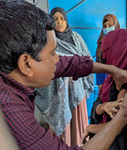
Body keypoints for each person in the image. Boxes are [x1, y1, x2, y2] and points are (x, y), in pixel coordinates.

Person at [0, 1, 127, 149]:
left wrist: (112, 70)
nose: (58, 59)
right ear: (25, 64)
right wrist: (121, 115)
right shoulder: (9, 110)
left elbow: (72, 65)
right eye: (53, 54)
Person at [84, 29, 127, 150]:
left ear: (118, 52)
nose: (105, 58)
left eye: (108, 51)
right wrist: (104, 106)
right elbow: (98, 105)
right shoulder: (113, 78)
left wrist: (90, 128)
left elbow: (118, 125)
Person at [35, 7, 94, 146]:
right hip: (59, 94)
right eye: (55, 19)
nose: (59, 22)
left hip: (78, 92)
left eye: (62, 18)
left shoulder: (76, 38)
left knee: (78, 128)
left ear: (66, 21)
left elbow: (88, 60)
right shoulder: (47, 40)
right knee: (63, 133)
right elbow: (44, 64)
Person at [96, 14, 120, 89]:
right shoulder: (101, 45)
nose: (107, 28)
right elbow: (98, 67)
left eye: (110, 25)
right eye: (104, 26)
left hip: (118, 85)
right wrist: (100, 85)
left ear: (115, 26)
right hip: (104, 86)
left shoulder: (122, 43)